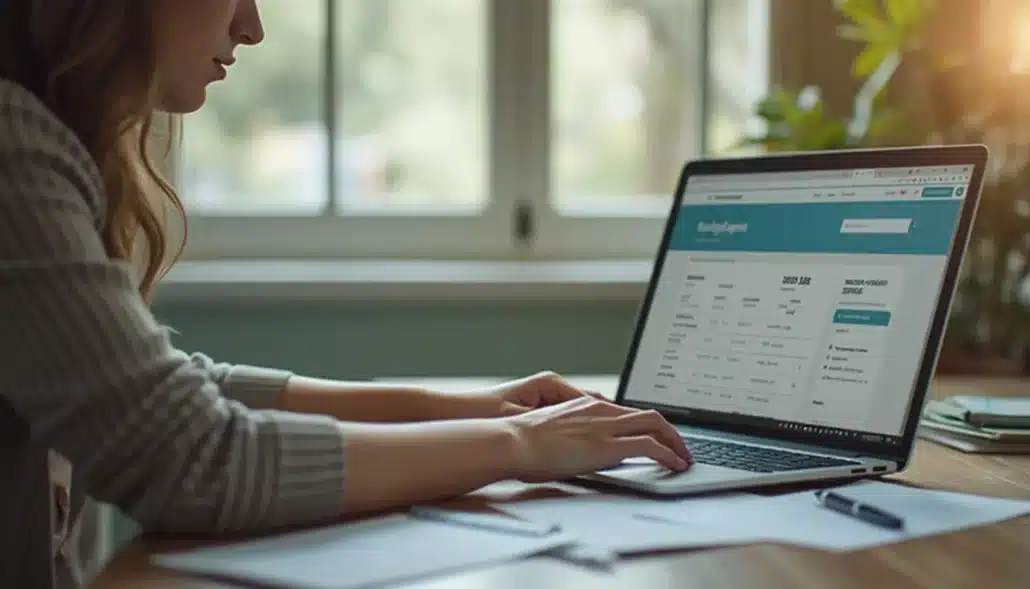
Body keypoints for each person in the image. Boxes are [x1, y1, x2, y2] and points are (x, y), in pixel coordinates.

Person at [0, 1, 693, 587]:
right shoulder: (13, 148)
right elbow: (190, 455)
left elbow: (171, 397)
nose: (252, 25)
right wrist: (518, 442)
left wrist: (459, 409)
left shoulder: (41, 136)